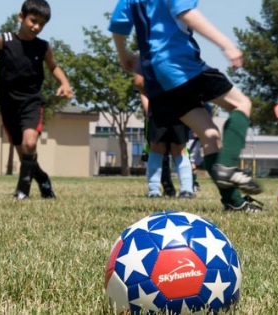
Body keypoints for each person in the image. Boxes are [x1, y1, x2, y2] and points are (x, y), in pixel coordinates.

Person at [109, 0, 263, 212]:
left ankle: (234, 202)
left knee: (210, 135)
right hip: (180, 66)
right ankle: (227, 166)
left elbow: (118, 24)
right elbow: (185, 12)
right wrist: (226, 44)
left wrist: (123, 55)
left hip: (156, 77)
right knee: (241, 104)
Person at [0, 0, 73, 200]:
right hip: (9, 105)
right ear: (21, 17)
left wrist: (64, 83)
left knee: (30, 144)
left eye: (41, 24)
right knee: (24, 156)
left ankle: (22, 190)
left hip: (31, 102)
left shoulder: (43, 47)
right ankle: (42, 178)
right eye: (33, 20)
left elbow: (54, 67)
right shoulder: (3, 40)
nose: (36, 27)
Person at [133, 67, 194, 199]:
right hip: (157, 109)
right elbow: (140, 85)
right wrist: (148, 109)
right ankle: (154, 190)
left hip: (179, 109)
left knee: (179, 148)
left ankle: (187, 189)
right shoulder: (148, 58)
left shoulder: (181, 57)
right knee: (156, 147)